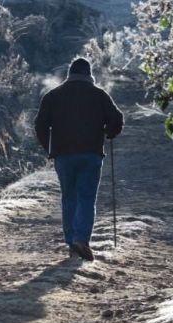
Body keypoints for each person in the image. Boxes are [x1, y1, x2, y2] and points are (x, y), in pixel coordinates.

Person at [34, 57, 124, 261]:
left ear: (69, 75)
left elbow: (40, 125)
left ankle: (72, 243)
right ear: (89, 75)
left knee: (69, 198)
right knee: (86, 197)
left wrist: (49, 148)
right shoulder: (99, 95)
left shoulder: (53, 96)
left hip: (63, 155)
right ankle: (80, 239)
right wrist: (110, 132)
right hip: (91, 154)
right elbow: (117, 119)